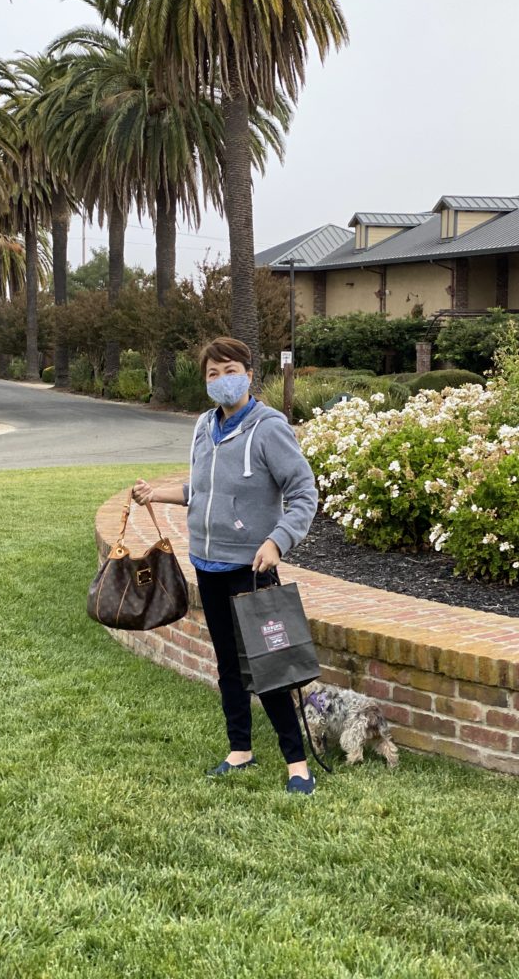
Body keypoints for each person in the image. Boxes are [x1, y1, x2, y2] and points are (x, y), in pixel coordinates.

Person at [133, 337, 319, 794]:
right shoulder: (203, 426)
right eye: (212, 373)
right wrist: (155, 494)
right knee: (228, 666)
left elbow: (303, 494)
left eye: (229, 370)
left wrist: (277, 542)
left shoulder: (269, 427)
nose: (221, 380)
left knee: (270, 667)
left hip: (251, 569)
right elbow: (200, 489)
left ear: (249, 374)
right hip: (208, 565)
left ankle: (297, 763)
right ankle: (240, 750)